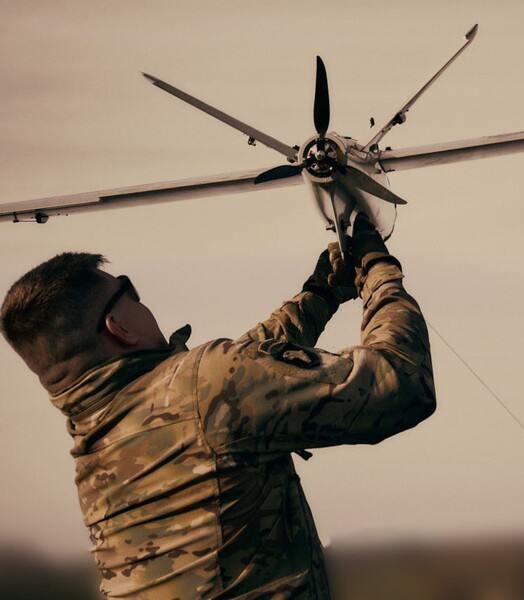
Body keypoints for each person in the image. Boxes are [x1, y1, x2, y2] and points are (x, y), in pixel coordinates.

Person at [0, 213, 436, 599]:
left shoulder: (97, 437)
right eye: (127, 291)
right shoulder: (204, 387)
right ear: (118, 327)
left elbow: (241, 377)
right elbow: (400, 380)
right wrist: (379, 271)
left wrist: (318, 293)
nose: (141, 300)